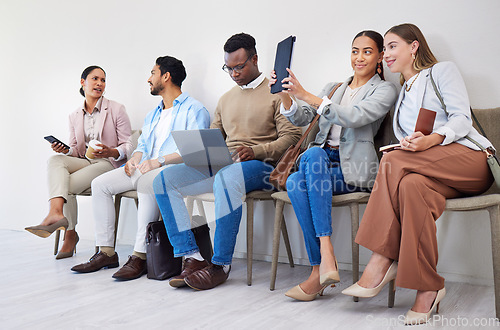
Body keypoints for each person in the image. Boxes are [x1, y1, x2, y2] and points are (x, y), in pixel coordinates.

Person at [341, 23, 494, 325]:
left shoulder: (441, 71)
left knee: (393, 161)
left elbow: (462, 119)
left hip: (471, 161)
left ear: (414, 47)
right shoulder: (401, 96)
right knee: (411, 186)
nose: (386, 53)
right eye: (384, 48)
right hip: (431, 172)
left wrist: (432, 139)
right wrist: (413, 143)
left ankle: (382, 257)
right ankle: (428, 287)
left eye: (392, 45)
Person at [153, 33, 302, 290]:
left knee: (227, 176)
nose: (234, 73)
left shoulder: (276, 93)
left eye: (239, 66)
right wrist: (203, 153)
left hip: (263, 165)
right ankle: (193, 256)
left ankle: (220, 264)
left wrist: (255, 151)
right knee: (164, 180)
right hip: (225, 164)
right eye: (229, 68)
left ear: (255, 59)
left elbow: (292, 137)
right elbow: (214, 138)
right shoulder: (225, 99)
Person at [269, 31, 398, 301]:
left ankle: (323, 262)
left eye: (367, 51)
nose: (359, 57)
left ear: (379, 58)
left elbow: (354, 116)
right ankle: (322, 263)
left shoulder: (385, 90)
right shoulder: (333, 88)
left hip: (353, 170)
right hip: (321, 163)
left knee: (309, 162)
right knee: (299, 175)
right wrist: (286, 95)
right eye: (354, 51)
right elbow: (304, 117)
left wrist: (306, 94)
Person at [71, 56, 210, 279]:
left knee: (147, 184)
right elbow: (143, 145)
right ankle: (106, 251)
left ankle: (139, 256)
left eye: (153, 73)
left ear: (166, 76)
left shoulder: (194, 110)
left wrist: (159, 162)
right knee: (100, 184)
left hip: (170, 171)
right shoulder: (153, 113)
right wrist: (134, 159)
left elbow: (193, 153)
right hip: (144, 167)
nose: (149, 78)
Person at [25, 66, 132, 259]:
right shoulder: (74, 116)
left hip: (108, 163)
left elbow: (128, 144)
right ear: (83, 82)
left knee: (65, 185)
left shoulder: (116, 108)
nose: (100, 83)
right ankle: (57, 214)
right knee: (56, 160)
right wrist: (65, 150)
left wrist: (112, 151)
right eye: (95, 79)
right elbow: (76, 150)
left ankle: (69, 232)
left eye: (103, 80)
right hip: (85, 161)